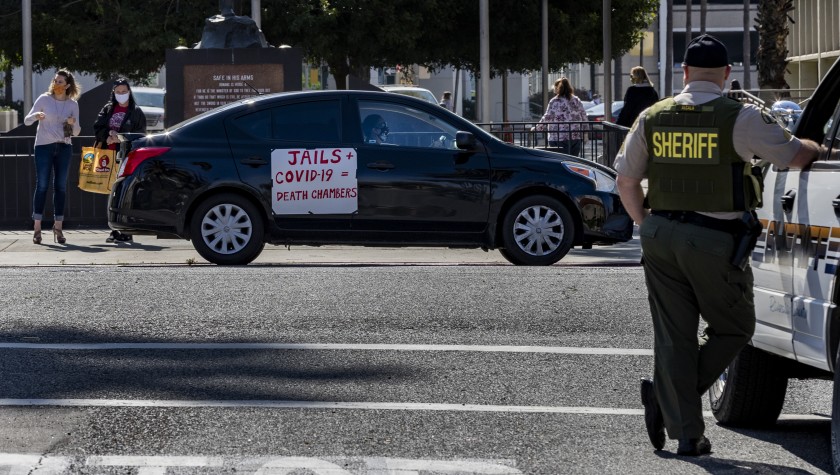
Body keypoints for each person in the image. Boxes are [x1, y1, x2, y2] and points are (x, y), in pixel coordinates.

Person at [614, 34, 824, 456]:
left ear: (684, 73)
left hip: (659, 234)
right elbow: (794, 157)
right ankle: (665, 397)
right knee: (735, 328)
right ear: (728, 75)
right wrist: (819, 144)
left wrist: (647, 225)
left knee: (674, 337)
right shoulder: (740, 117)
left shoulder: (653, 116)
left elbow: (626, 181)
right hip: (714, 240)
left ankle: (687, 436)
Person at [23, 69, 81, 245]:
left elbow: (77, 132)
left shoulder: (72, 104)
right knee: (42, 185)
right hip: (43, 147)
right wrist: (36, 115)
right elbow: (26, 120)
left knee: (61, 186)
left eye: (60, 82)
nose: (56, 84)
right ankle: (37, 228)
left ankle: (58, 227)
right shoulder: (44, 99)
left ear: (67, 85)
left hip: (64, 147)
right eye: (55, 81)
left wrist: (73, 123)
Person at [93, 78, 147, 243]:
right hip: (108, 157)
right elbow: (98, 127)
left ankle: (124, 230)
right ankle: (114, 229)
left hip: (126, 157)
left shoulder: (136, 112)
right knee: (111, 193)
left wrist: (120, 138)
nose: (121, 95)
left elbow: (140, 135)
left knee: (123, 193)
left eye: (124, 92)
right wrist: (108, 136)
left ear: (129, 92)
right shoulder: (108, 109)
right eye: (118, 92)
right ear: (114, 93)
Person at [536, 77, 588, 156]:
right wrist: (585, 132)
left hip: (558, 137)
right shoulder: (576, 100)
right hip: (575, 136)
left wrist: (537, 128)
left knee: (560, 161)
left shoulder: (555, 101)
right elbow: (584, 116)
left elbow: (547, 117)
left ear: (557, 88)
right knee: (573, 162)